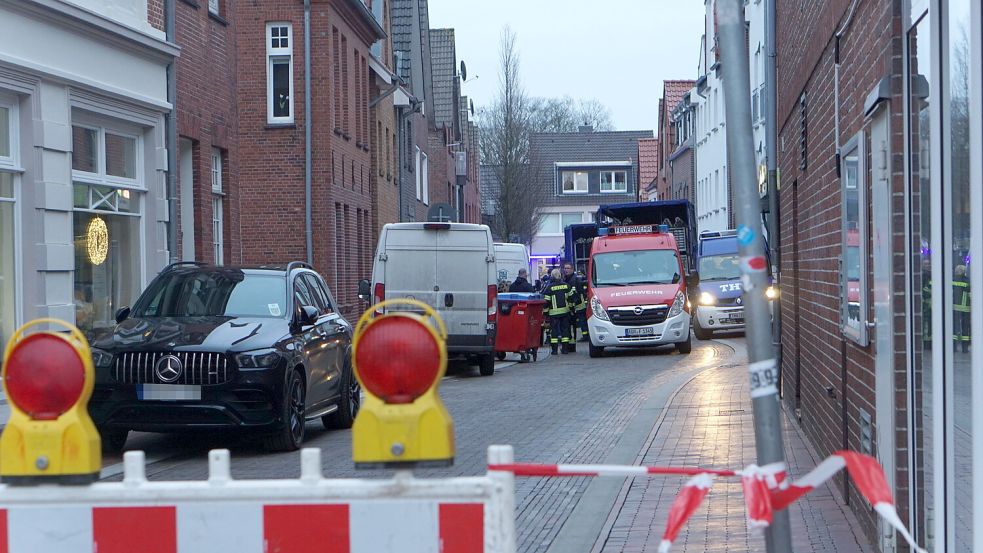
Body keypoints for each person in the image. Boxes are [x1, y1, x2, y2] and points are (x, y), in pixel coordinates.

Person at [543, 268, 575, 355]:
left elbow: (546, 302)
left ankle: (554, 351)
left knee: (554, 332)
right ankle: (565, 350)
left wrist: (545, 313)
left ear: (552, 276)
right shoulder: (566, 286)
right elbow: (571, 299)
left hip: (554, 314)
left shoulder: (549, 287)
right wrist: (572, 309)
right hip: (565, 312)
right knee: (565, 331)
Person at [561, 262, 582, 349]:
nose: (566, 270)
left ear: (572, 269)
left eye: (568, 268)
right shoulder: (564, 279)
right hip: (567, 307)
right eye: (565, 268)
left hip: (574, 307)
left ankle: (572, 345)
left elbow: (579, 293)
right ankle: (569, 344)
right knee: (567, 326)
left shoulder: (575, 279)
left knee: (573, 326)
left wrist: (574, 305)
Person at [953, 264, 971, 352]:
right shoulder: (967, 281)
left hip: (954, 307)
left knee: (954, 328)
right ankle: (965, 349)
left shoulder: (952, 280)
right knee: (965, 329)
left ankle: (953, 347)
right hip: (965, 308)